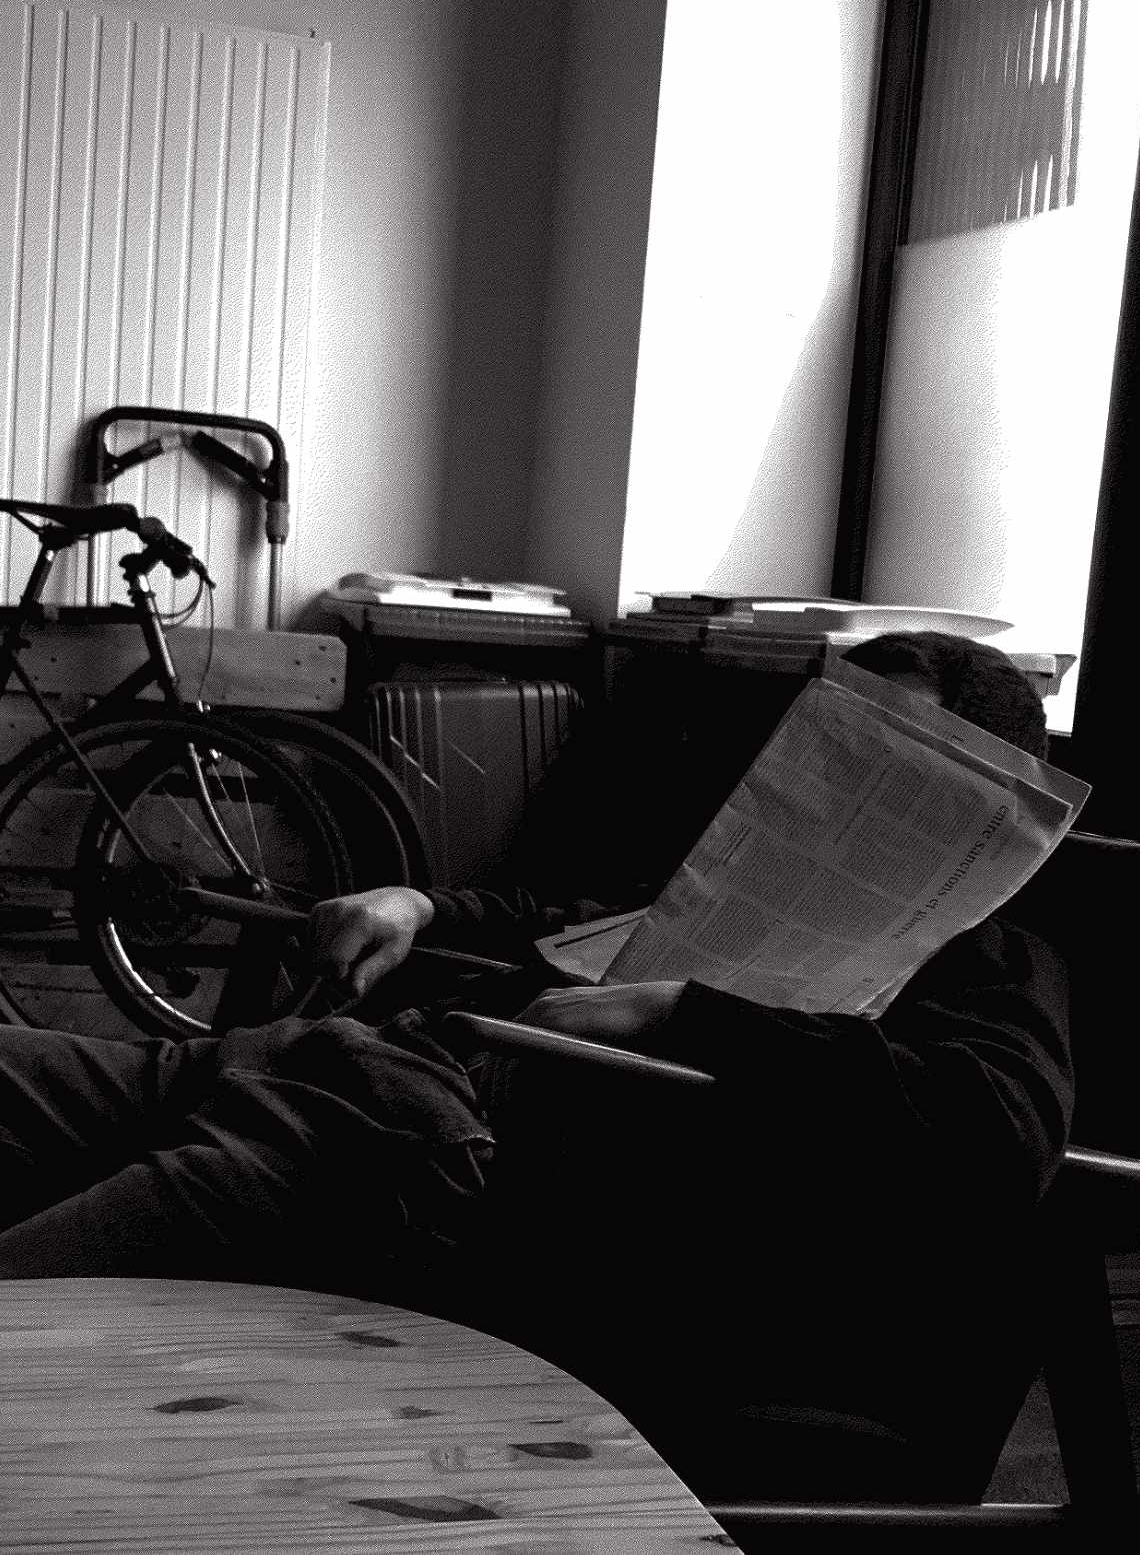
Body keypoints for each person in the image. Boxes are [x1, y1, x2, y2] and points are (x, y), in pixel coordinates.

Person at [0, 632, 1072, 1498]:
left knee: (26, 1301)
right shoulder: (751, 885)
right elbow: (559, 921)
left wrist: (684, 1010)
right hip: (308, 1062)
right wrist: (420, 905)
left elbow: (1003, 1127)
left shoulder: (989, 958)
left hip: (401, 1136)